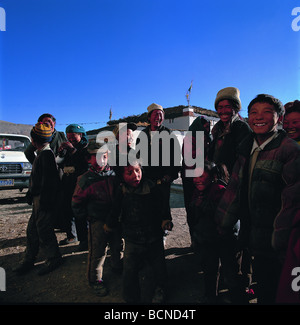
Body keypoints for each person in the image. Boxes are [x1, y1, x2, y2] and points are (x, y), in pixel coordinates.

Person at [216, 94, 300, 304]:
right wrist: (222, 223)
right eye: (254, 112)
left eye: (266, 112)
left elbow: (290, 203)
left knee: (274, 290)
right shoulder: (246, 147)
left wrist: (279, 243)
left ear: (279, 119)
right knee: (261, 285)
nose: (258, 117)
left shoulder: (290, 150)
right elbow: (234, 188)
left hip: (274, 241)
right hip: (250, 231)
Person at [105, 158, 173, 303]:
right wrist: (109, 225)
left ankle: (161, 290)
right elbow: (115, 210)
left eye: (138, 170)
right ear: (122, 176)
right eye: (130, 172)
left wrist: (165, 219)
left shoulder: (152, 188)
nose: (136, 175)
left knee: (159, 268)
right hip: (132, 238)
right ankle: (131, 297)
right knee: (129, 271)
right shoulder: (121, 191)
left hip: (153, 236)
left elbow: (163, 207)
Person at [72, 141, 123, 297]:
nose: (101, 160)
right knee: (98, 252)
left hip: (115, 219)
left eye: (104, 156)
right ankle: (95, 280)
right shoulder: (85, 179)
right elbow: (76, 203)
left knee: (117, 245)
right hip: (97, 222)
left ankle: (117, 266)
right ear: (89, 159)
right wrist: (88, 217)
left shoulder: (114, 175)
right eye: (96, 157)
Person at [14, 122, 62, 276]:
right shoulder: (42, 154)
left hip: (44, 201)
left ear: (34, 141)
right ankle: (29, 259)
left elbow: (49, 182)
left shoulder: (46, 155)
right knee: (32, 231)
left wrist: (45, 202)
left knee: (44, 230)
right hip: (38, 200)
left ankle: (54, 258)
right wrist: (31, 193)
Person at [136, 103, 180, 227]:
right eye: (155, 115)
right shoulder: (143, 135)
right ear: (149, 118)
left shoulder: (169, 134)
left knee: (163, 204)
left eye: (161, 115)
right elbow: (138, 157)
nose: (158, 118)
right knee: (147, 204)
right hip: (147, 177)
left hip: (163, 178)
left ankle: (164, 228)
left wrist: (169, 175)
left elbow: (176, 158)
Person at [57, 124, 89, 251]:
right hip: (67, 184)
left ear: (80, 135)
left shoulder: (86, 148)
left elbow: (85, 165)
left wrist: (73, 151)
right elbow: (59, 163)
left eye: (73, 137)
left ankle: (85, 240)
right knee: (67, 210)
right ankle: (71, 235)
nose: (71, 139)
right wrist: (61, 153)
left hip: (81, 185)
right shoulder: (67, 148)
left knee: (81, 214)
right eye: (68, 137)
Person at [208, 87, 252, 174]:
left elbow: (243, 161)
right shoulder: (217, 129)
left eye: (227, 107)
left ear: (236, 108)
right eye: (220, 107)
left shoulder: (241, 128)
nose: (223, 111)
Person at [181, 116, 212, 239]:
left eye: (207, 127)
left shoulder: (207, 138)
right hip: (191, 178)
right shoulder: (190, 139)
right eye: (203, 126)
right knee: (192, 206)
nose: (206, 129)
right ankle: (194, 238)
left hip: (204, 178)